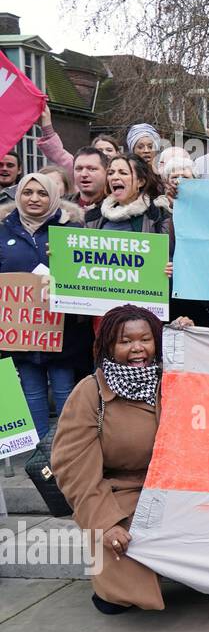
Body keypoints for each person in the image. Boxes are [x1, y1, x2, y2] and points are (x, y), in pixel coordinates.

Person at [51, 306, 175, 613]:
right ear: (108, 345)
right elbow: (75, 470)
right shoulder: (89, 393)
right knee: (120, 594)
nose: (137, 348)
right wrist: (103, 524)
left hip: (175, 490)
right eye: (125, 341)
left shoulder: (172, 380)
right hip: (121, 494)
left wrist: (190, 335)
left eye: (145, 339)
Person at [0, 172, 87, 437]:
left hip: (61, 329)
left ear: (54, 197)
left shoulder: (71, 229)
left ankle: (66, 452)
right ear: (18, 195)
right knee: (32, 391)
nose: (34, 199)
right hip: (21, 330)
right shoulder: (3, 230)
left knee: (64, 389)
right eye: (28, 192)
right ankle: (38, 457)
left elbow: (85, 272)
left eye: (42, 193)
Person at [87, 154, 172, 237]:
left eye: (123, 173)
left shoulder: (158, 215)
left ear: (140, 182)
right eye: (111, 173)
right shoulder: (94, 215)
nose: (114, 177)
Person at [69, 146, 110, 213]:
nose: (84, 174)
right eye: (79, 169)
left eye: (92, 169)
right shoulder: (60, 208)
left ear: (106, 172)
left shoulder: (116, 210)